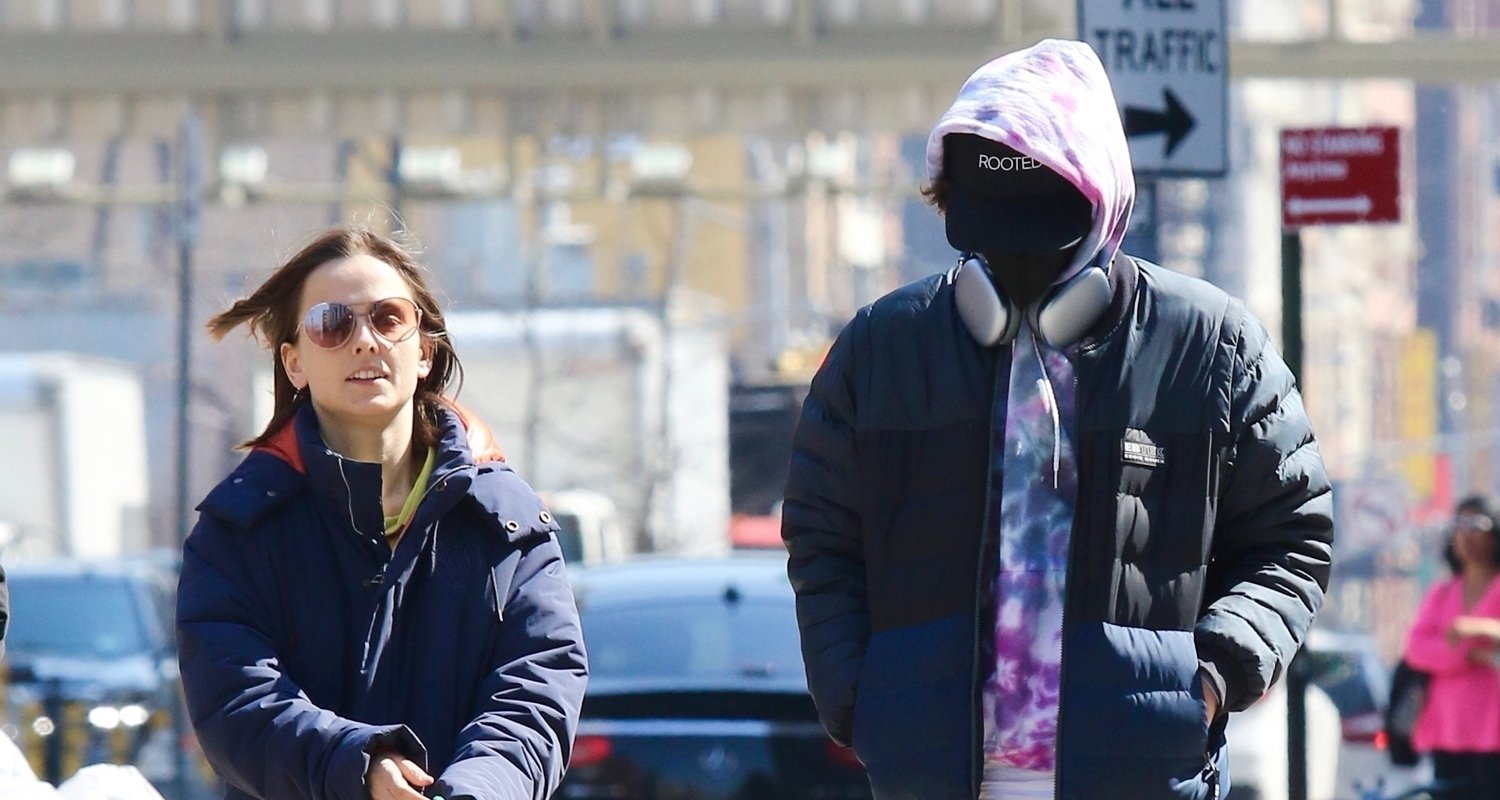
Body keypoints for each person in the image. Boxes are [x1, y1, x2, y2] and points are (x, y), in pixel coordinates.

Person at [782, 39, 1333, 800]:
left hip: (1138, 776)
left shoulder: (1210, 344)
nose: (1014, 261)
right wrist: (861, 697)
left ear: (1104, 209)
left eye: (1041, 232)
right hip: (933, 778)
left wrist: (1209, 677)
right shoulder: (882, 350)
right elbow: (821, 536)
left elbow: (1291, 532)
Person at [176, 226, 588, 800]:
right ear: (293, 363)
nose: (365, 341)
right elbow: (236, 703)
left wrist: (476, 788)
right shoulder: (237, 533)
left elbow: (537, 688)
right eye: (331, 323)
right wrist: (358, 766)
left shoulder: (508, 523)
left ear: (424, 351)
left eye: (388, 318)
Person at [1401, 495, 1500, 799]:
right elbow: (1416, 649)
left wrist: (1479, 628)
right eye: (1459, 525)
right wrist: (1469, 654)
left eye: (1476, 525)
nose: (1466, 534)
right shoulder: (1442, 593)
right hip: (1448, 731)